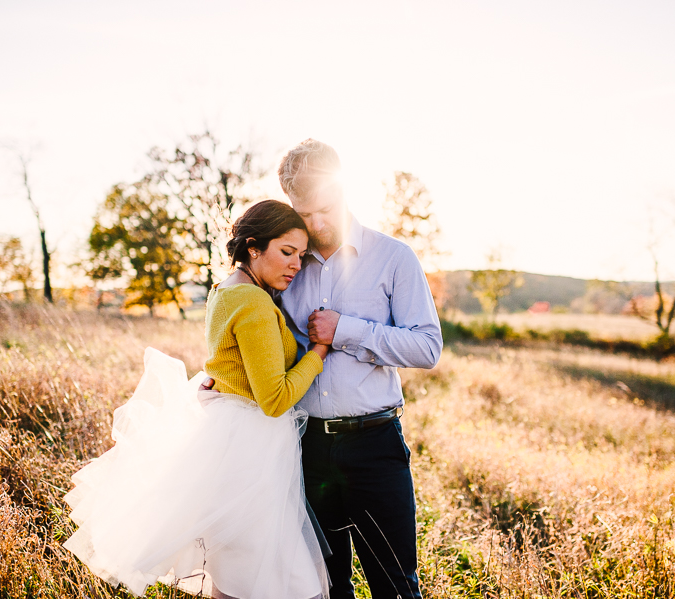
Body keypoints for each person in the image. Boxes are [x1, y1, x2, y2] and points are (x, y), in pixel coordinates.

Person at [63, 199, 331, 599]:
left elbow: (229, 361)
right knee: (278, 575)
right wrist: (318, 353)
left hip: (229, 441)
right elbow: (274, 399)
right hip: (251, 452)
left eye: (301, 255)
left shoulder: (225, 290)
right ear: (254, 248)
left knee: (237, 566)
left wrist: (216, 382)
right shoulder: (255, 302)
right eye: (286, 252)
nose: (295, 265)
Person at [276, 140, 443, 599]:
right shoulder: (287, 268)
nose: (316, 224)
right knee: (326, 589)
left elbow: (428, 347)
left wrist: (346, 329)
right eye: (303, 213)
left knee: (395, 587)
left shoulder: (394, 258)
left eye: (324, 209)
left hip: (375, 447)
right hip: (307, 450)